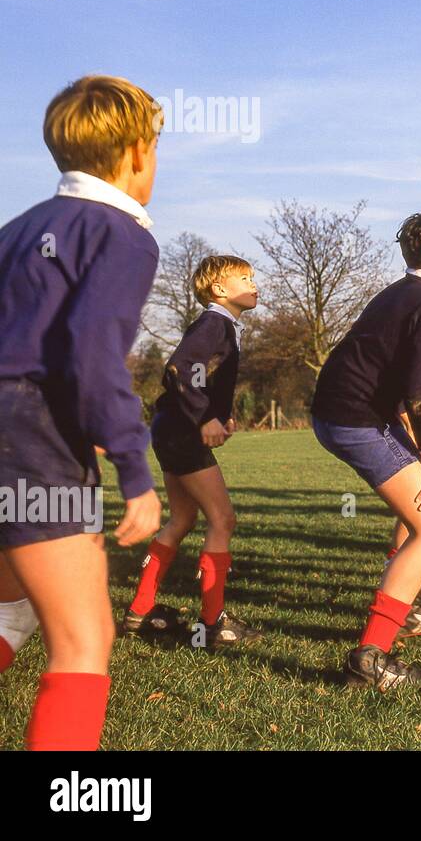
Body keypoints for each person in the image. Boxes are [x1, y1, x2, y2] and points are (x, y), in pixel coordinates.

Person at [0, 75, 163, 748]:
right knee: (85, 639)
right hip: (30, 437)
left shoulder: (17, 227)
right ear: (134, 152)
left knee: (10, 610)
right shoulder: (120, 232)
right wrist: (134, 466)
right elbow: (93, 360)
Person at [311, 206, 421, 689]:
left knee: (416, 510)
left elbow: (389, 364)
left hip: (344, 410)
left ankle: (408, 609)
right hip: (354, 419)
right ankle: (371, 657)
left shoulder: (404, 289)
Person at [123, 254, 263, 648]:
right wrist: (204, 418)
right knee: (222, 519)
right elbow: (180, 369)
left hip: (170, 428)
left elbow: (205, 376)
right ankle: (213, 624)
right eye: (244, 278)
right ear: (218, 290)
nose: (254, 284)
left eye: (252, 277)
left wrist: (222, 414)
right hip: (183, 431)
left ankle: (140, 610)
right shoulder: (214, 323)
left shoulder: (223, 326)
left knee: (182, 518)